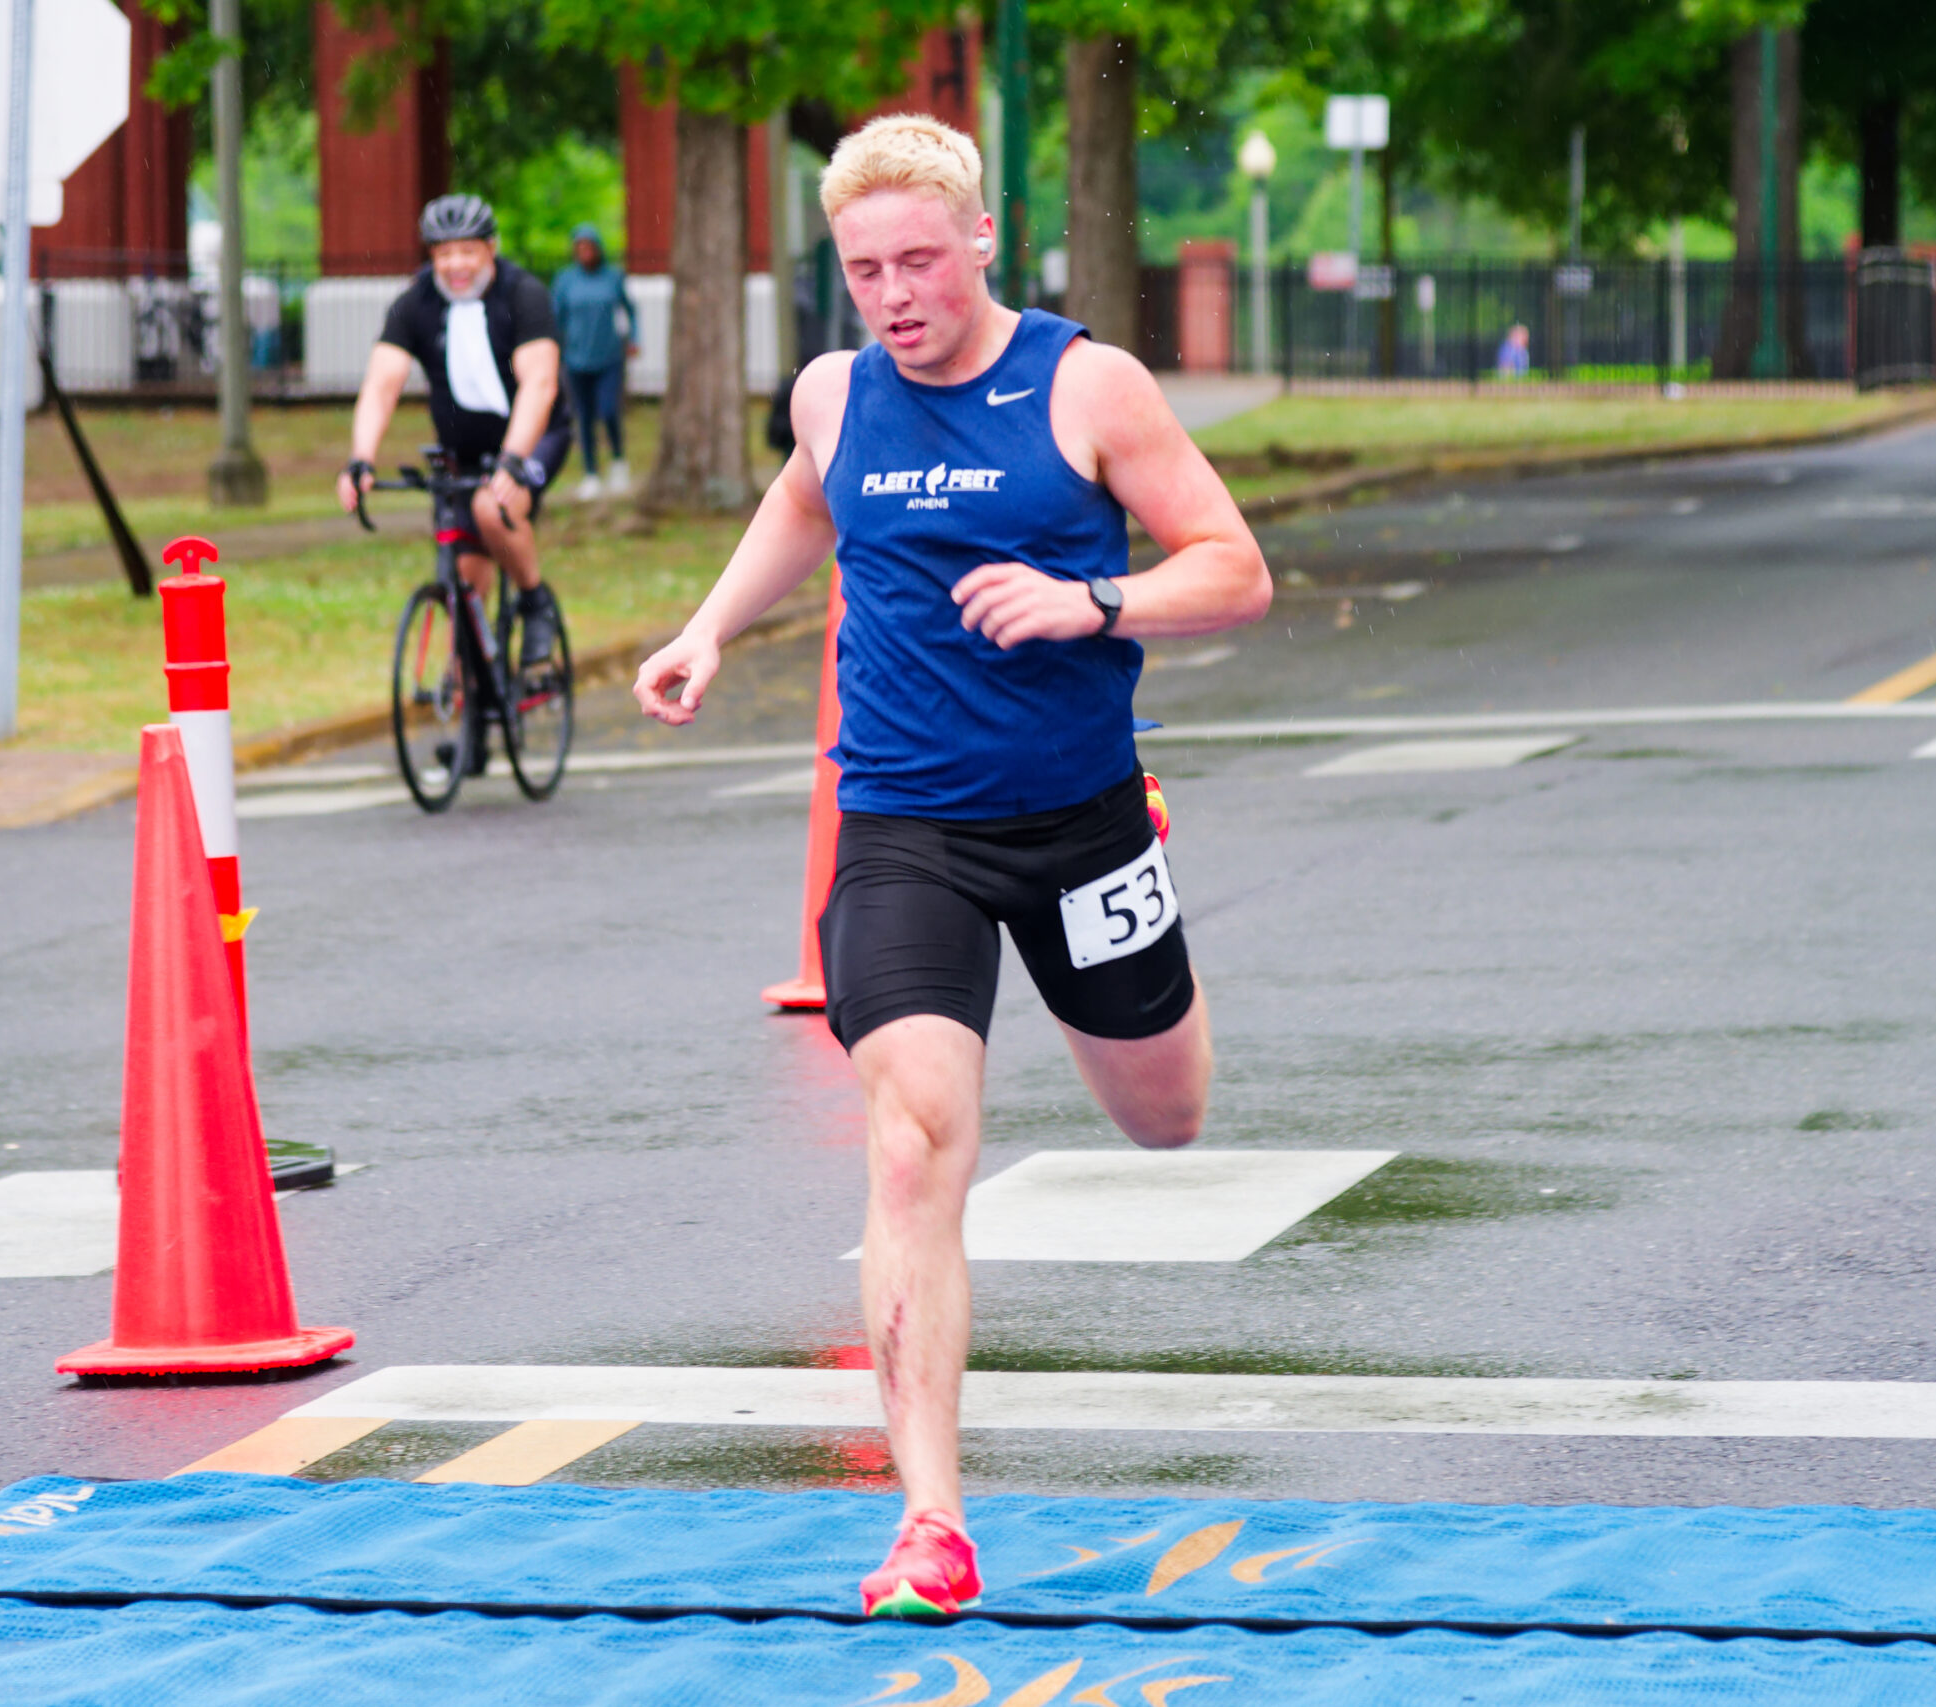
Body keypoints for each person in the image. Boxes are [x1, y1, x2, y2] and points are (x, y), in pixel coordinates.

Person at [632, 115, 1270, 1619]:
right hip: (906, 828)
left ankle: (1132, 905)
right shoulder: (838, 394)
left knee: (1165, 1115)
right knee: (914, 1141)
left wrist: (1090, 600)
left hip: (1084, 819)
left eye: (921, 258)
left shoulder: (1085, 385)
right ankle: (930, 1520)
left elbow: (1233, 566)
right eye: (865, 269)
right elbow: (804, 495)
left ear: (986, 238)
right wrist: (709, 626)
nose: (896, 294)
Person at [337, 194, 572, 664]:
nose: (455, 265)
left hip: (533, 439)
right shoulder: (416, 303)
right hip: (461, 451)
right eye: (443, 254)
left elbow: (540, 384)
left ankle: (534, 600)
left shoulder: (522, 293)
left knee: (492, 508)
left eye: (467, 251)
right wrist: (361, 458)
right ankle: (470, 714)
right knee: (466, 586)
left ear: (491, 247)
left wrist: (512, 459)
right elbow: (382, 384)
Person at [552, 222, 639, 501]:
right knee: (584, 418)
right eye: (580, 247)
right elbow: (556, 319)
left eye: (589, 246)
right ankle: (590, 473)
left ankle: (618, 460)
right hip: (576, 360)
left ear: (598, 249)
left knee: (608, 410)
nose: (585, 252)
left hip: (608, 357)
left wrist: (634, 338)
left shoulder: (613, 277)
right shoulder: (566, 280)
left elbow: (630, 309)